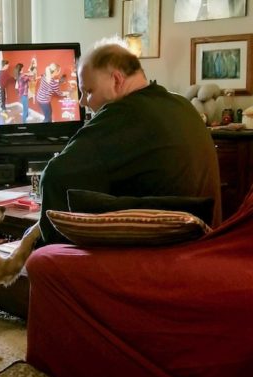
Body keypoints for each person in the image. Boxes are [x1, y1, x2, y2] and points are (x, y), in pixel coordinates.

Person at [38, 36, 222, 245]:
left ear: (116, 80)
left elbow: (55, 175)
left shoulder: (123, 114)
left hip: (162, 249)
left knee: (39, 257)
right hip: (202, 240)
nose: (82, 102)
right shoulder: (181, 104)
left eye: (88, 91)